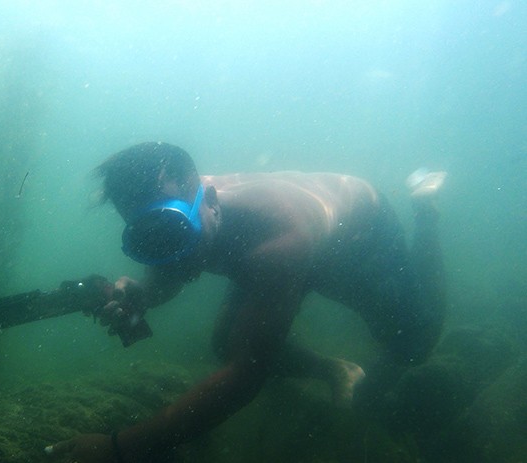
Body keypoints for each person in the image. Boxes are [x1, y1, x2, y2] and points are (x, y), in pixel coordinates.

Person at [50, 142, 446, 462]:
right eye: (146, 242)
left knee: (414, 345)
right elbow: (172, 271)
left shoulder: (276, 240)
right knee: (225, 342)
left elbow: (245, 377)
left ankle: (425, 208)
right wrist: (141, 293)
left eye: (172, 235)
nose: (171, 257)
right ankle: (336, 370)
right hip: (282, 248)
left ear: (212, 200)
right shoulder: (181, 216)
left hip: (358, 243)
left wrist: (120, 448)